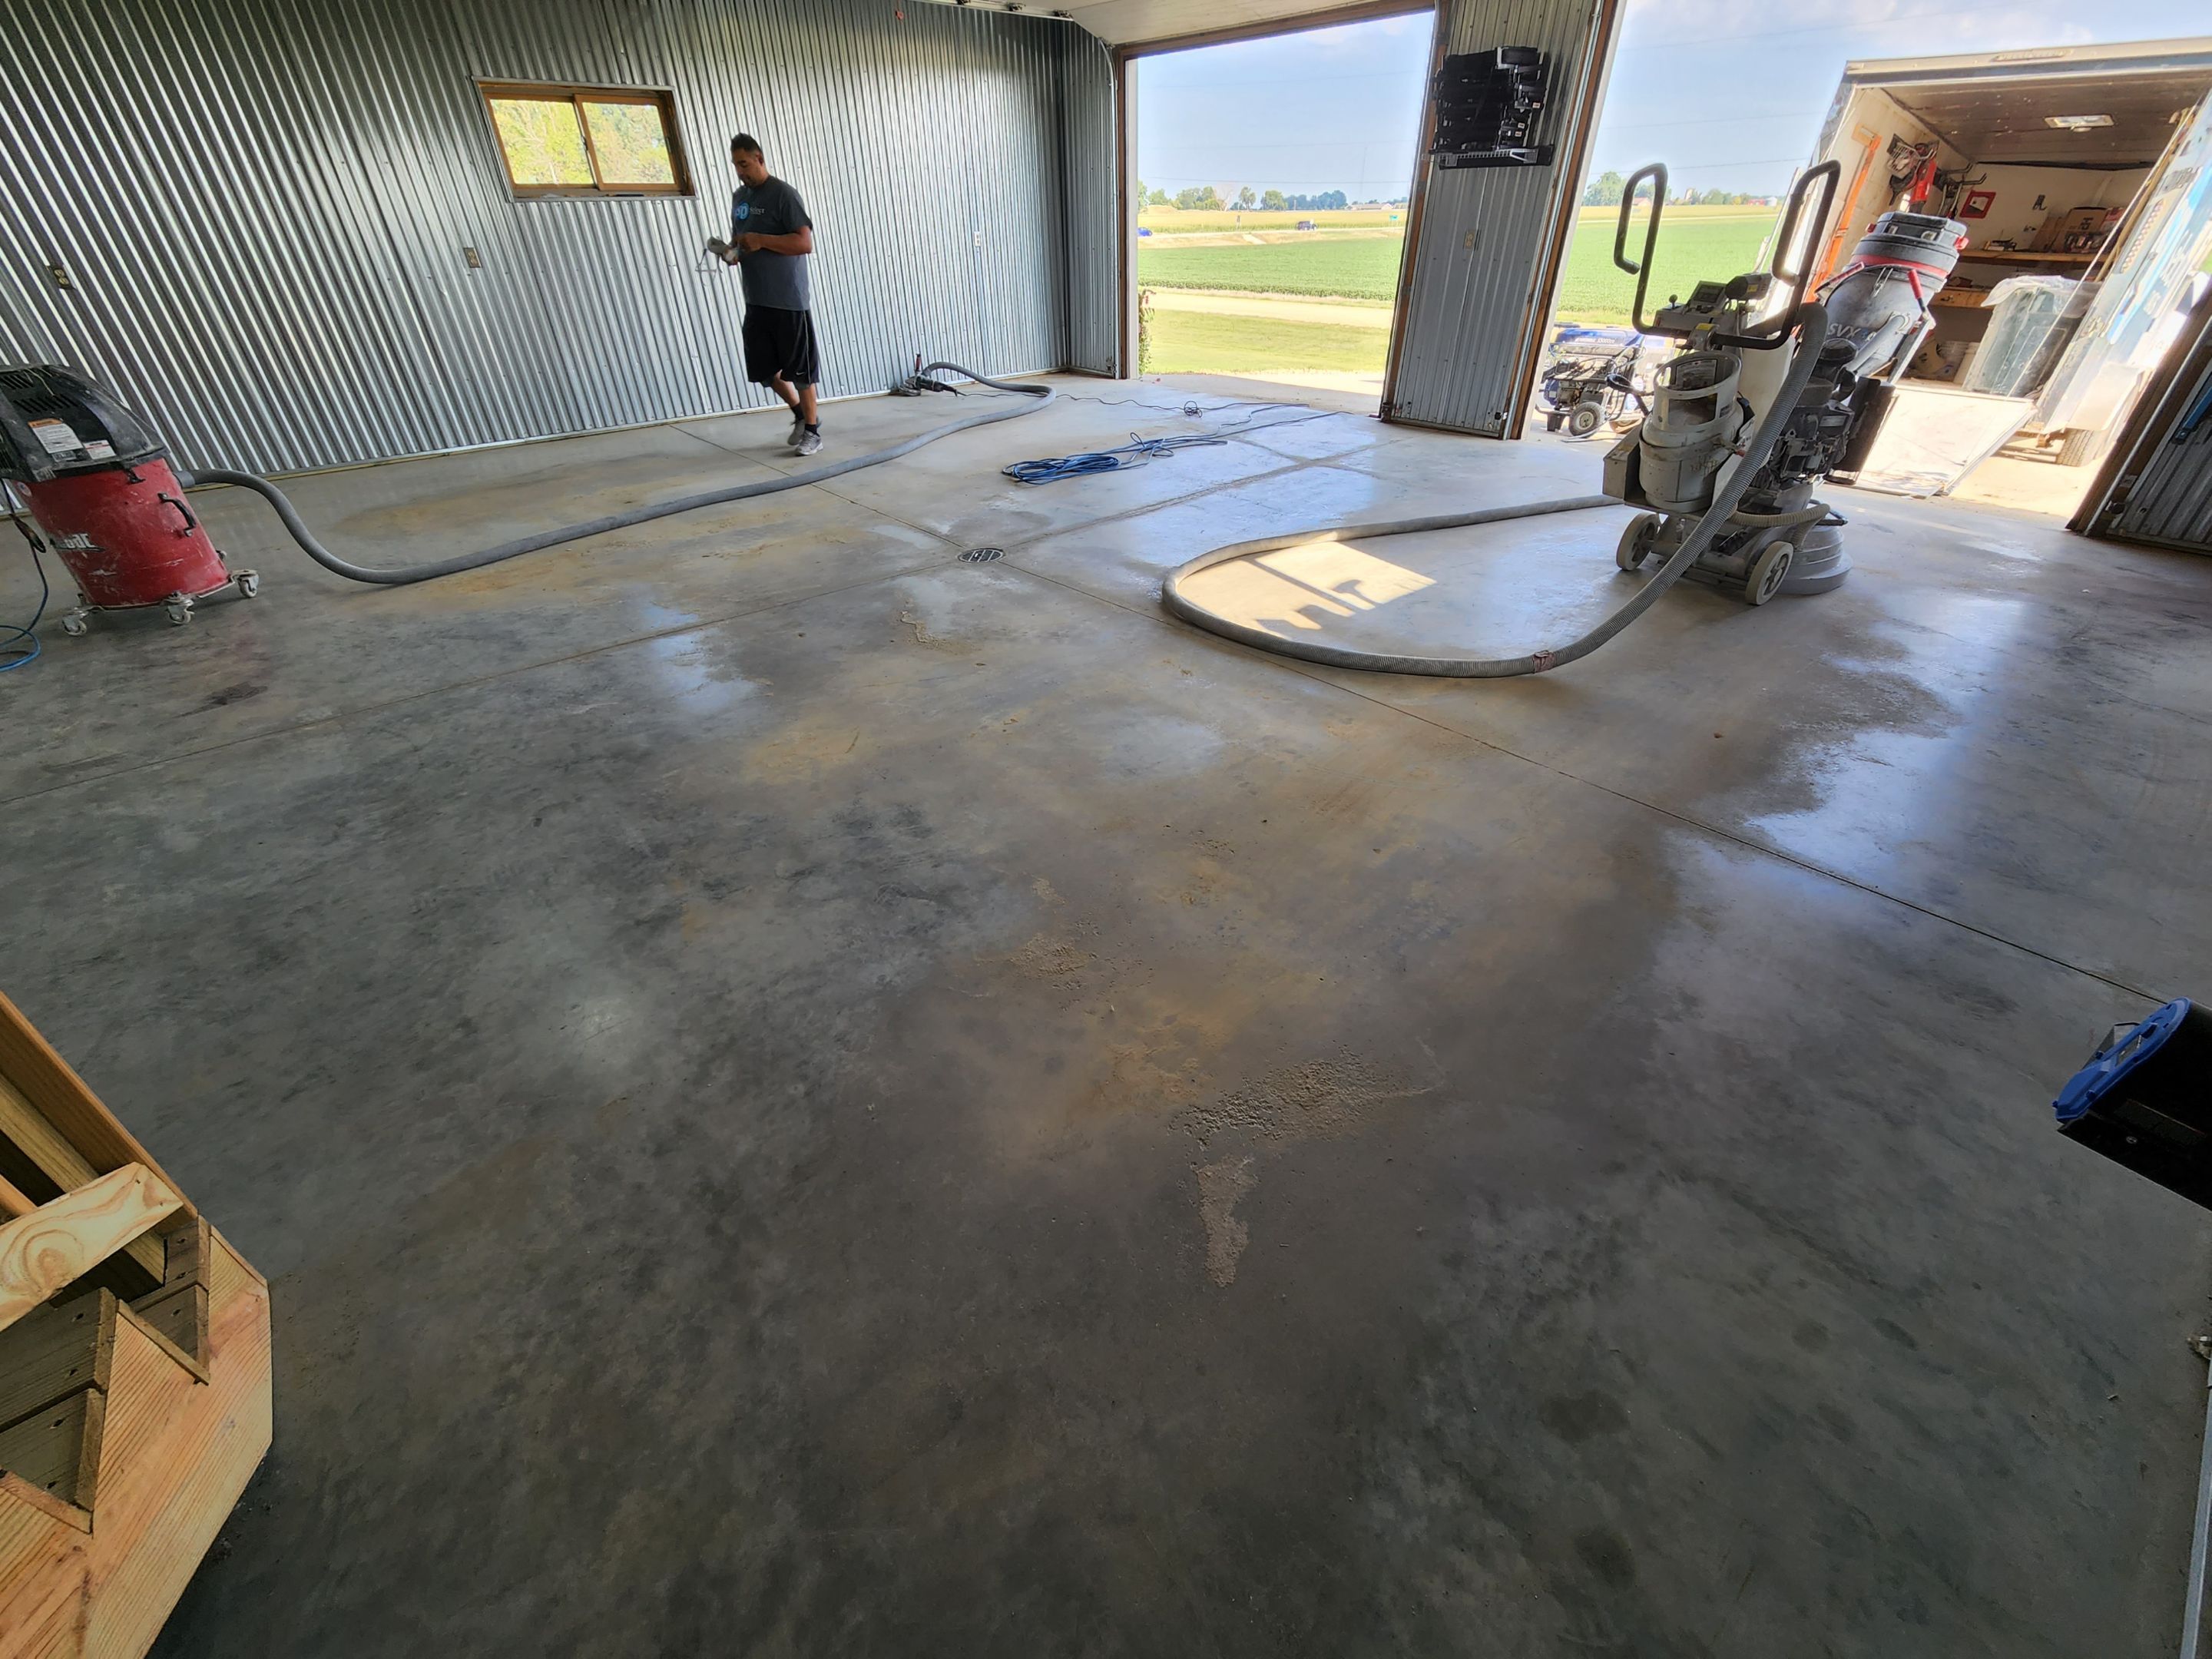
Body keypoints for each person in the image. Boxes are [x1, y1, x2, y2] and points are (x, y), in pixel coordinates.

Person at [708, 134, 822, 456]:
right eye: (735, 166)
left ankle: (813, 432)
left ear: (759, 158)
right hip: (756, 298)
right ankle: (800, 414)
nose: (740, 172)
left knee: (800, 370)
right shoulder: (739, 198)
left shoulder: (783, 194)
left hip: (788, 299)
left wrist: (762, 239)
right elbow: (742, 248)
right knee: (763, 370)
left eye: (744, 164)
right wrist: (729, 252)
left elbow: (804, 244)